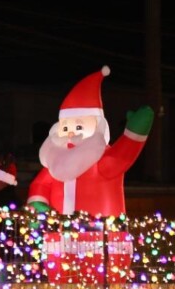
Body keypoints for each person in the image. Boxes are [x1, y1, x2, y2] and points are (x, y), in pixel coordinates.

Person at [26, 66, 153, 216]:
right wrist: (38, 202)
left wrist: (134, 133)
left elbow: (120, 157)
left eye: (79, 126)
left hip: (97, 226)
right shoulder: (56, 160)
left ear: (98, 126)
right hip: (57, 227)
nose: (71, 132)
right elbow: (40, 184)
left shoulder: (100, 158)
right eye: (65, 128)